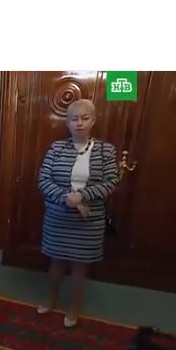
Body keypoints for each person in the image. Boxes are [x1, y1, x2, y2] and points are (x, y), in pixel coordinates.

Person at [36, 99, 118, 327]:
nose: (79, 123)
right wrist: (67, 197)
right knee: (56, 263)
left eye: (85, 118)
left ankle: (73, 308)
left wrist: (83, 196)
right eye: (74, 119)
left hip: (88, 220)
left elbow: (111, 181)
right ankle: (50, 299)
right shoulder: (56, 148)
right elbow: (43, 179)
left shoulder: (106, 150)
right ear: (68, 123)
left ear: (93, 120)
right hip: (58, 217)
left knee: (80, 267)